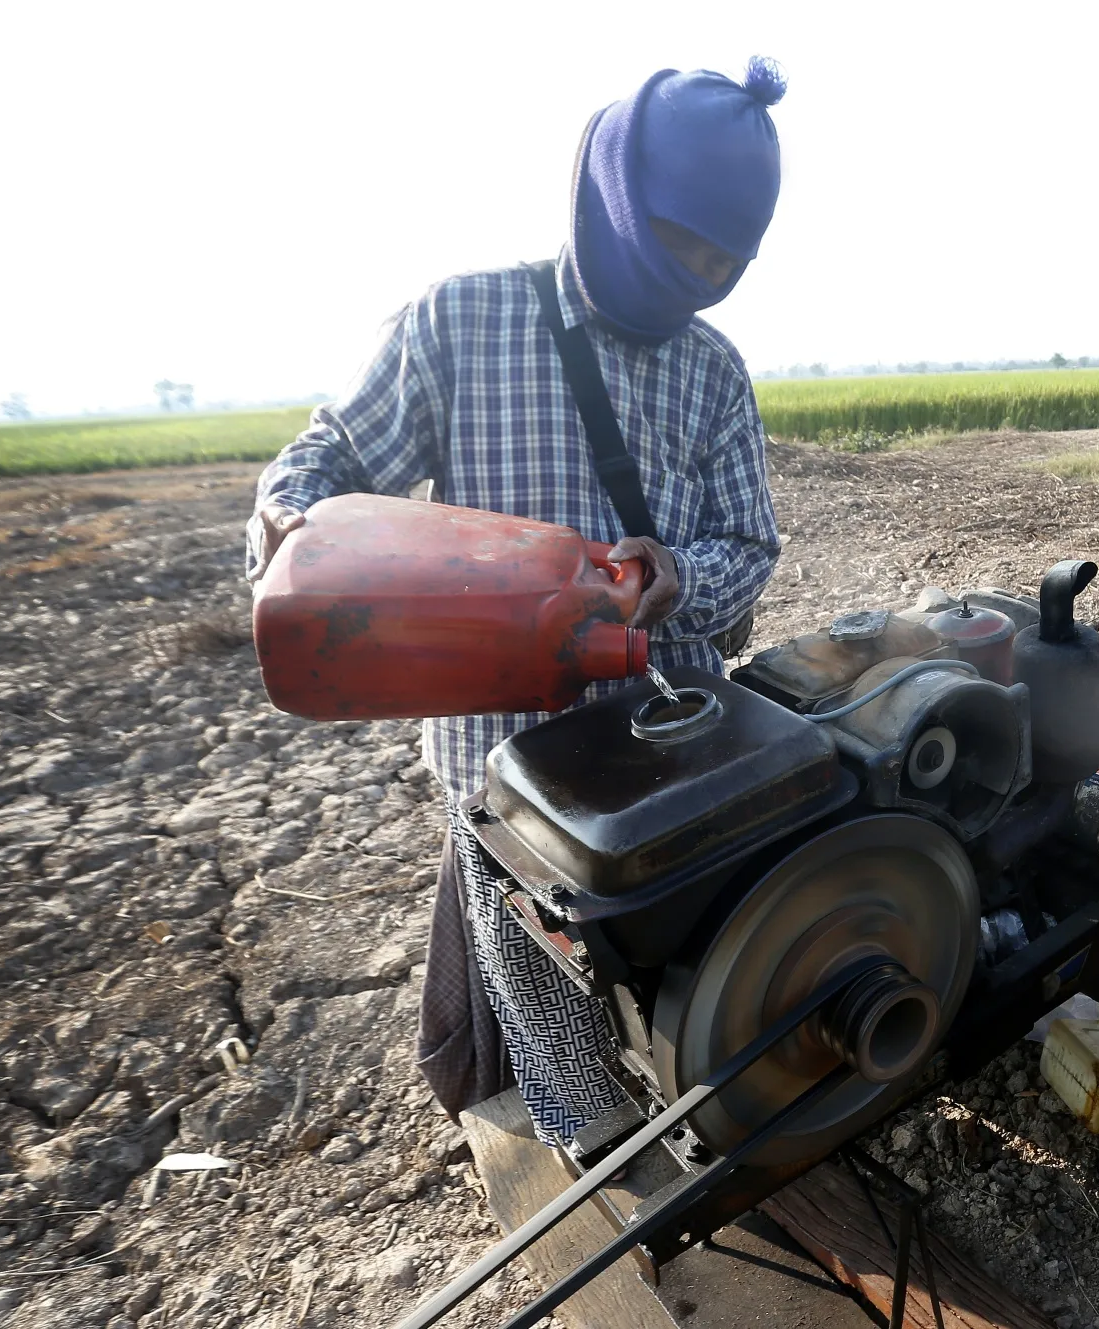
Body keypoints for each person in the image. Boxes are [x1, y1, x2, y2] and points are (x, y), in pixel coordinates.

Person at [243, 59, 787, 1147]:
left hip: (668, 743)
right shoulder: (461, 324)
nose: (694, 274)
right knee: (547, 991)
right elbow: (335, 456)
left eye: (722, 259)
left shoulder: (712, 372)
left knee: (692, 973)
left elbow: (749, 545)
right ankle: (587, 1150)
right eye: (679, 240)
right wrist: (294, 529)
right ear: (613, 195)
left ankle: (718, 1125)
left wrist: (676, 577)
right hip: (506, 765)